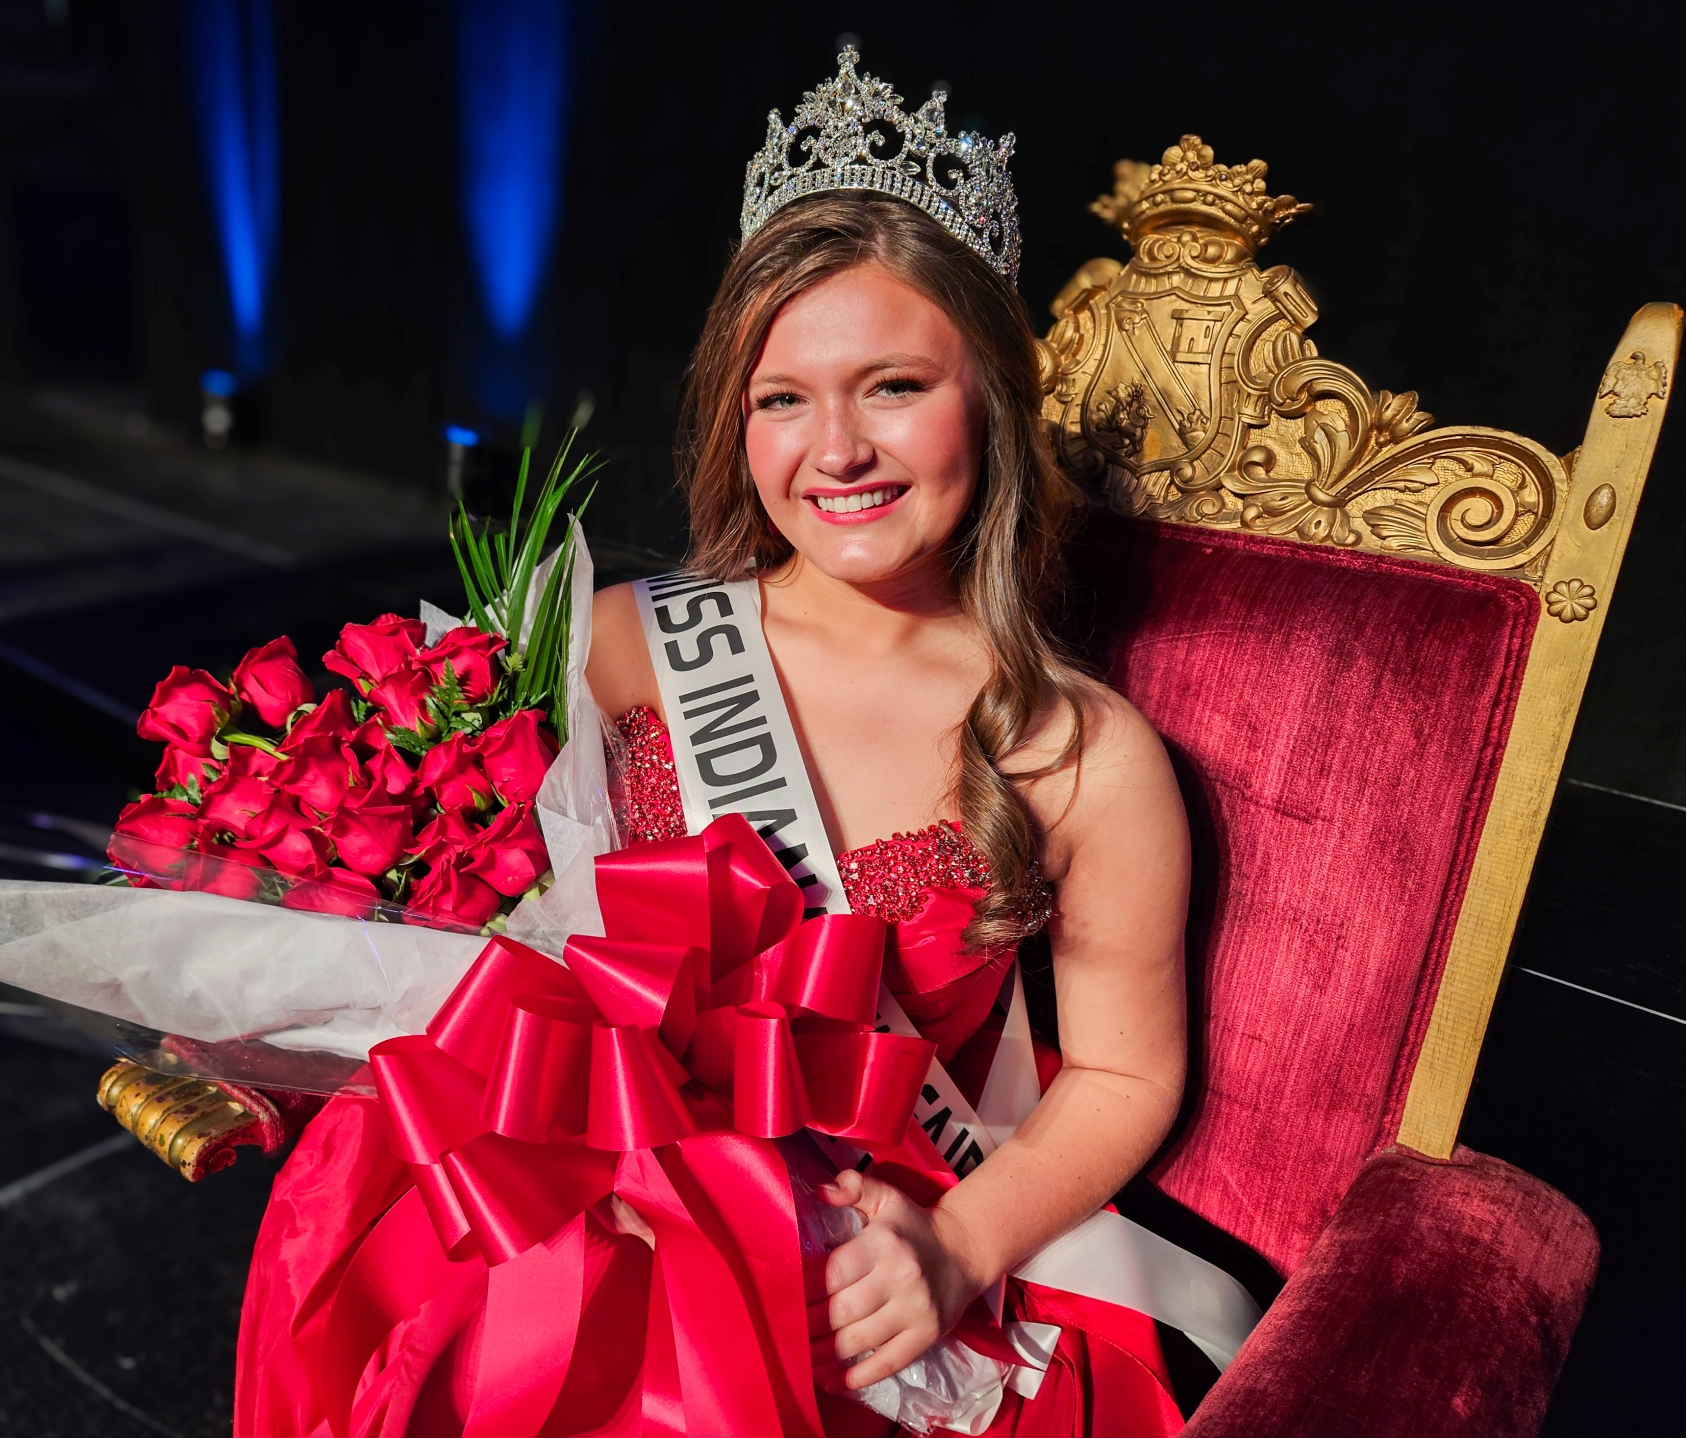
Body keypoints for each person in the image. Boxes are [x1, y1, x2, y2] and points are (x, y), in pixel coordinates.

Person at [237, 50, 1194, 1438]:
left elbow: (1125, 1072)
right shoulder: (628, 642)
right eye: (783, 397)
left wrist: (964, 1242)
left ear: (988, 395)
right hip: (559, 1211)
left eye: (895, 387)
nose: (838, 448)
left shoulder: (1078, 748)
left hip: (845, 1271)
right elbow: (442, 883)